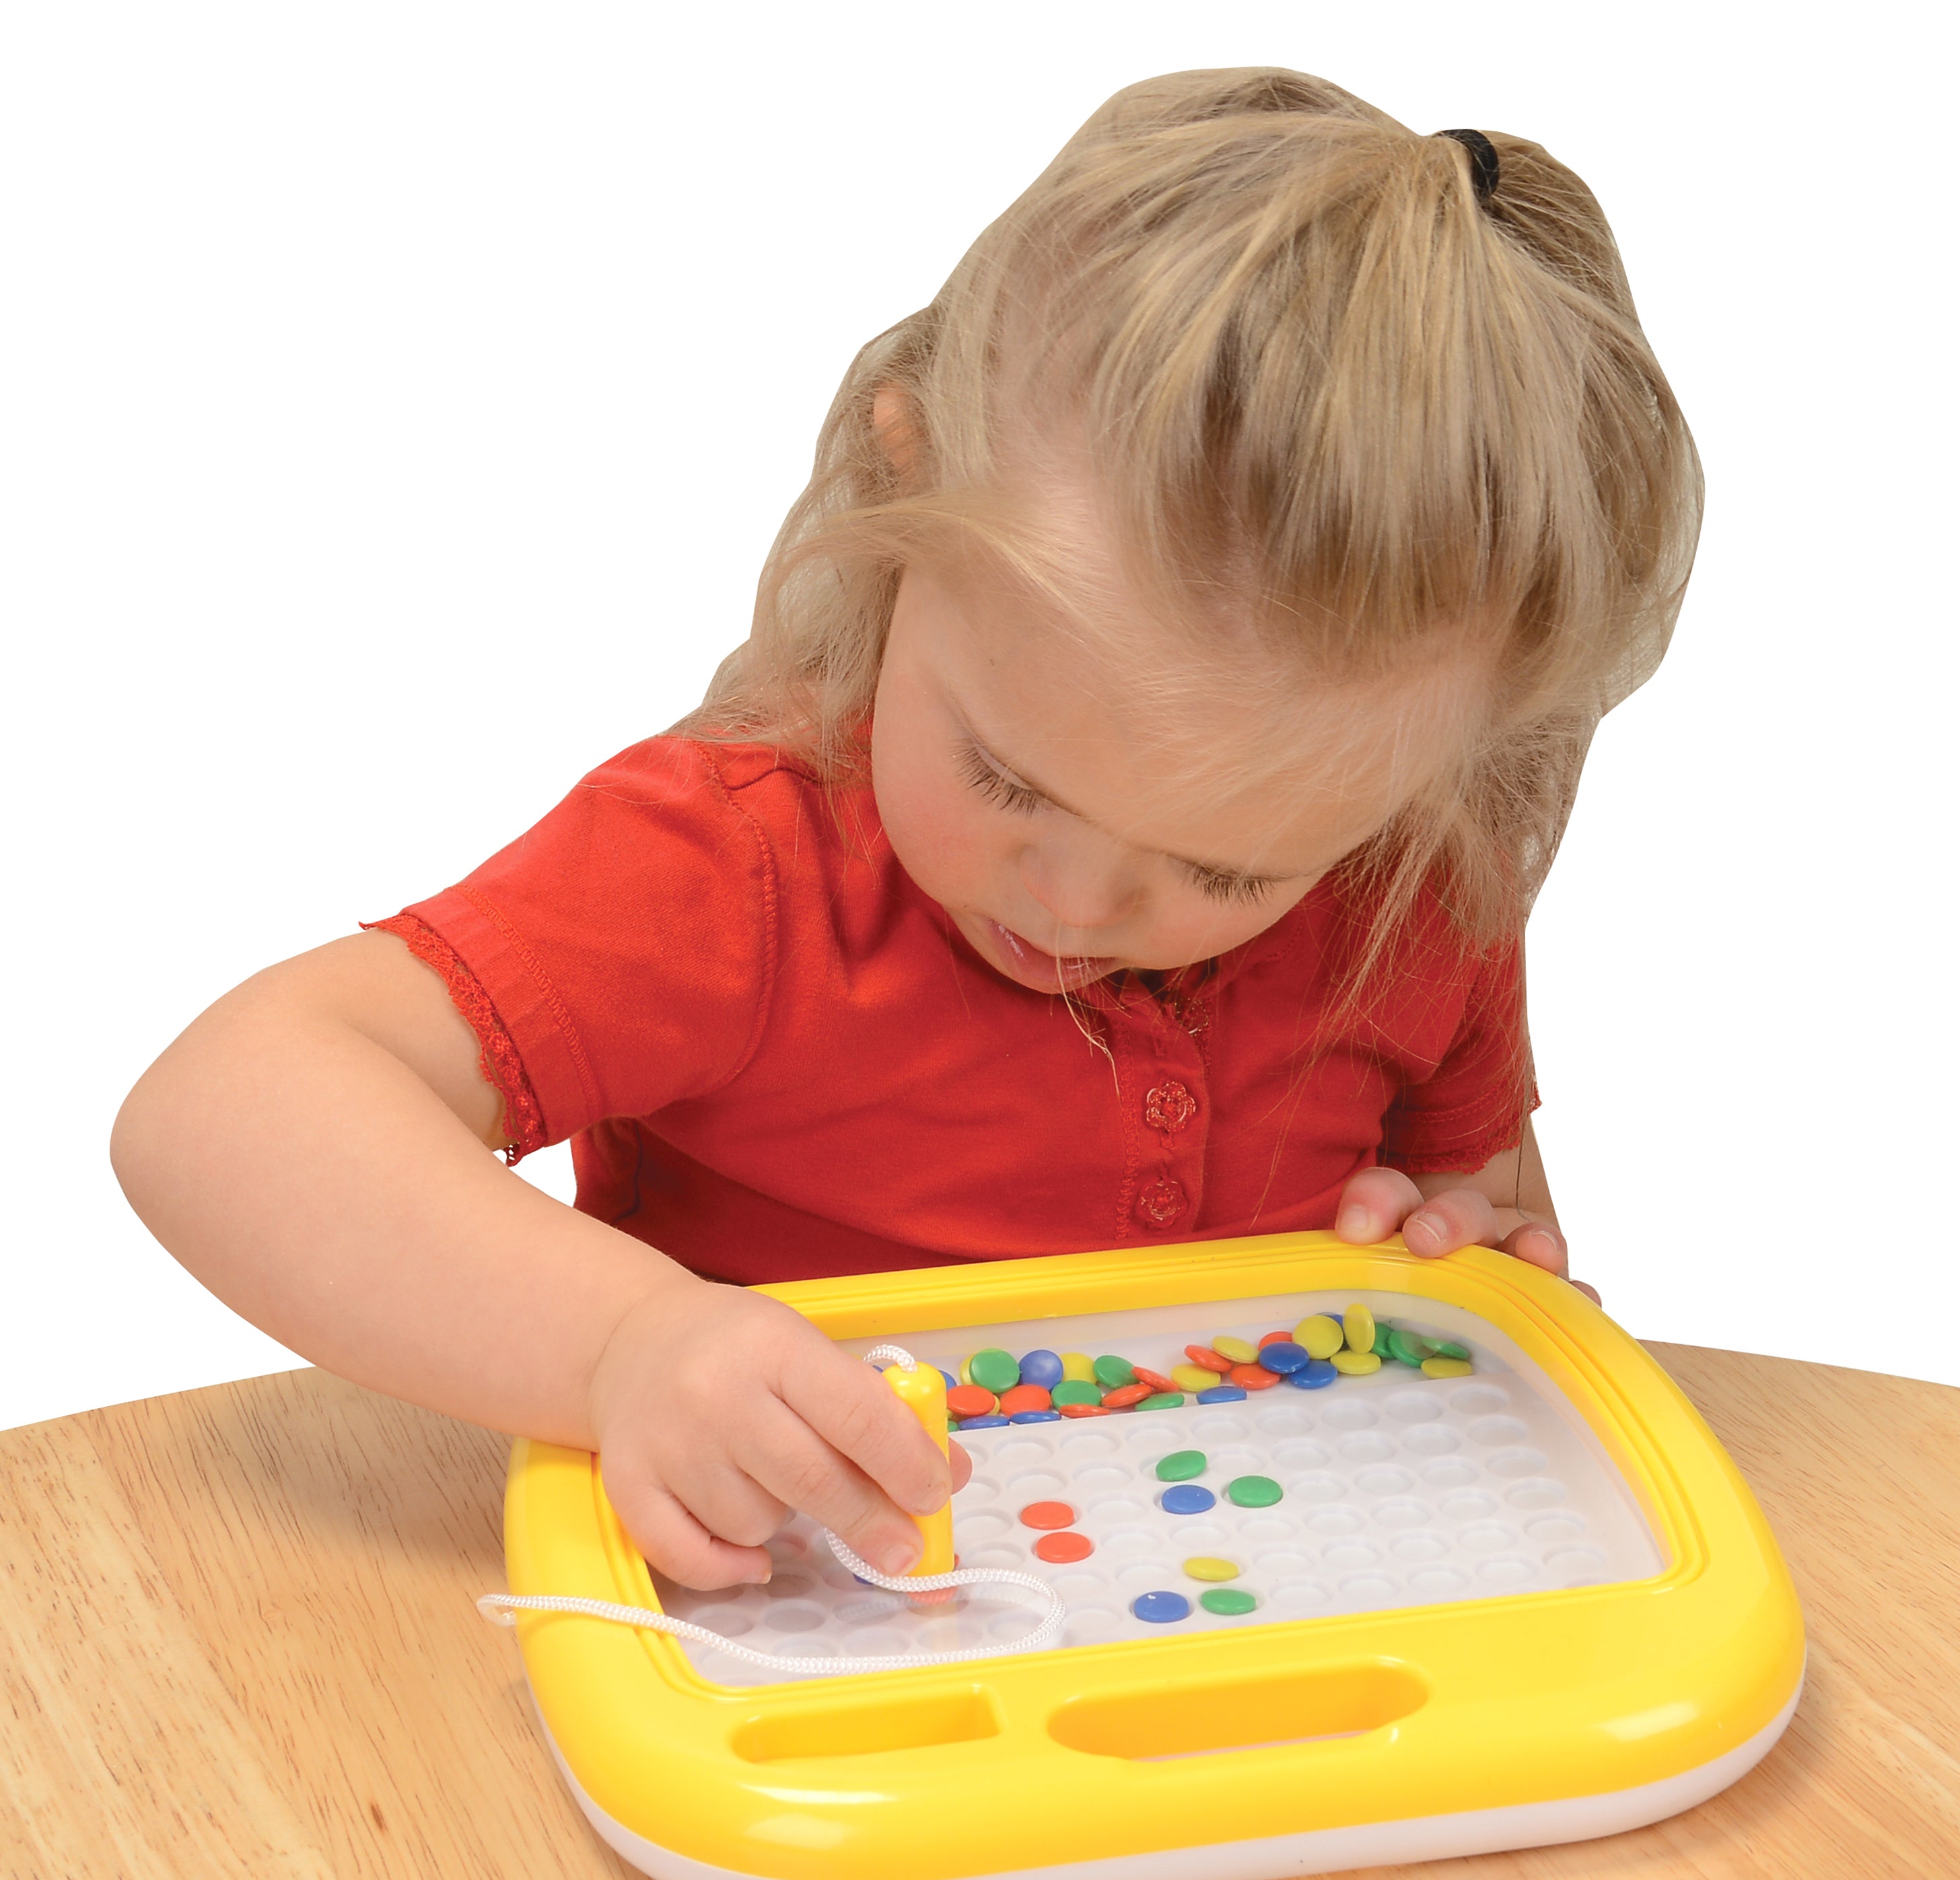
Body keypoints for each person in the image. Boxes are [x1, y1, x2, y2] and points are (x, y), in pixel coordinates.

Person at [112, 68, 1700, 1597]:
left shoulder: (1411, 887)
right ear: (903, 482)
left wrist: (1455, 1252)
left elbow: (1484, 1213)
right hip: (804, 1646)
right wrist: (619, 1348)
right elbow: (220, 1112)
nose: (1075, 901)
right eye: (1010, 779)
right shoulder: (742, 869)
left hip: (1246, 1646)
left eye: (1227, 869)